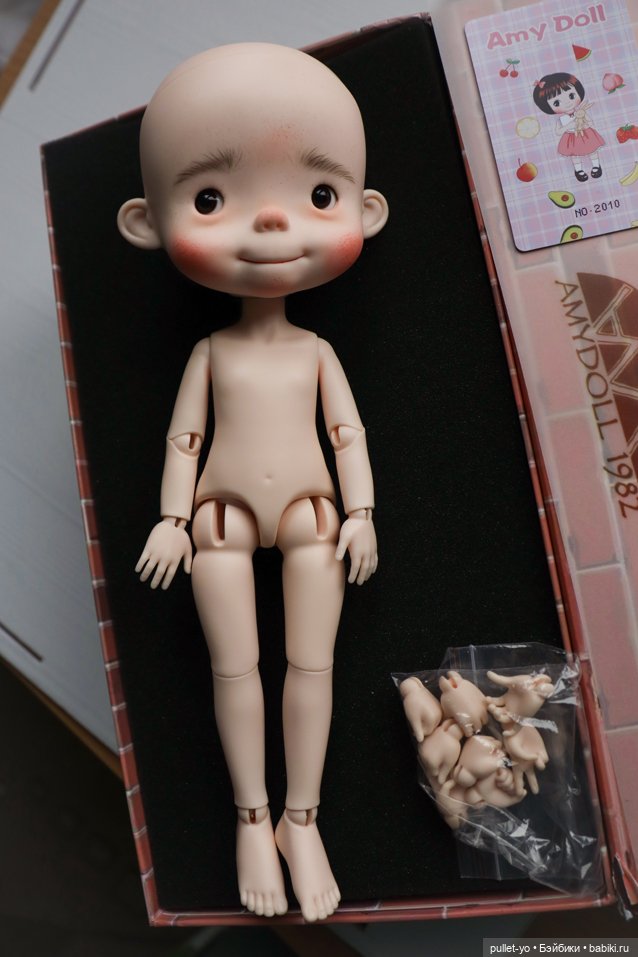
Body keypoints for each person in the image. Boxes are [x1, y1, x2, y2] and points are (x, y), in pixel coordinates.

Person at [117, 42, 388, 922]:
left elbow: (347, 434)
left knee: (311, 666)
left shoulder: (318, 350)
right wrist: (170, 519)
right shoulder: (209, 351)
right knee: (235, 670)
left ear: (368, 211)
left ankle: (301, 821)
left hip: (314, 519)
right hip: (219, 521)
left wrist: (363, 511)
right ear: (144, 222)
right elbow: (184, 438)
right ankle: (251, 817)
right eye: (210, 198)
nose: (272, 222)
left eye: (318, 196)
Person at [533, 72, 604, 182]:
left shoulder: (582, 112)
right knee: (574, 155)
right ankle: (578, 170)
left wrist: (585, 124)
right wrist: (568, 126)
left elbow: (591, 122)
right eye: (556, 103)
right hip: (571, 138)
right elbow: (558, 131)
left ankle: (596, 166)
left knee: (592, 150)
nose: (567, 103)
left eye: (571, 96)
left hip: (586, 134)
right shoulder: (562, 119)